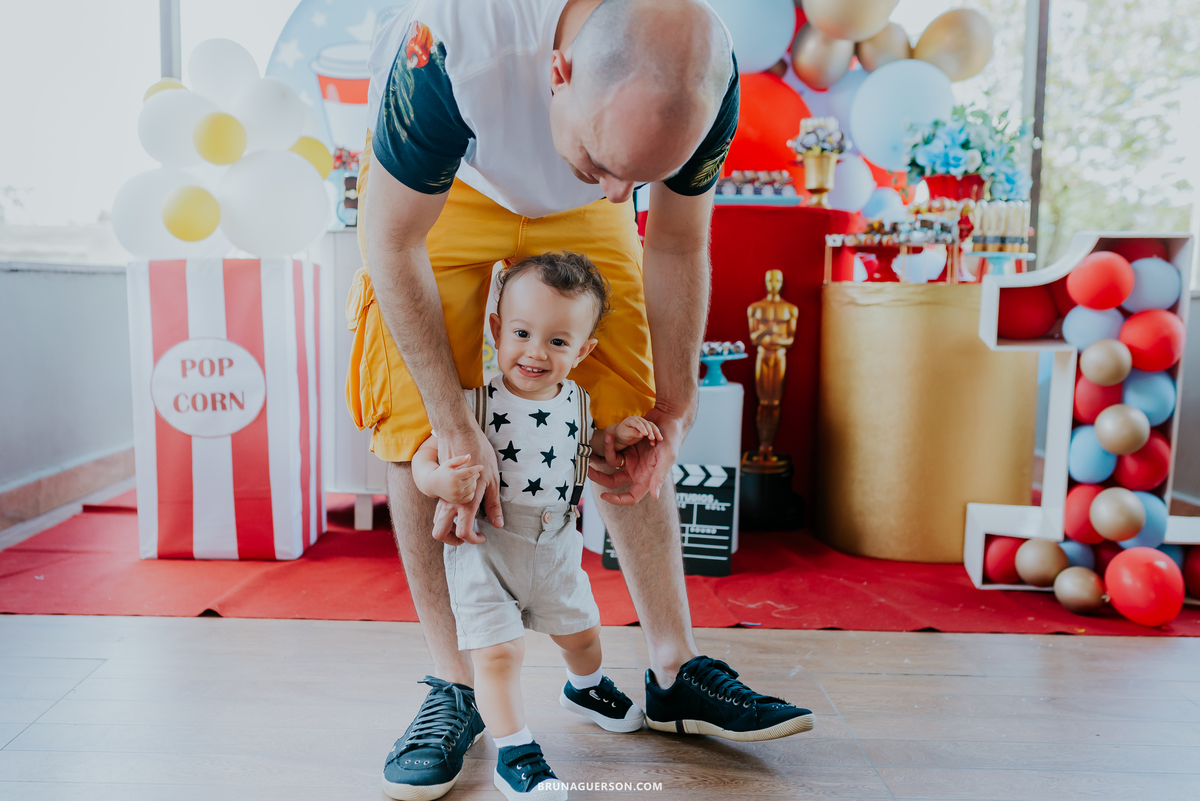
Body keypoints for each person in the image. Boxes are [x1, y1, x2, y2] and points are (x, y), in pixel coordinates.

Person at [347, 1, 815, 798]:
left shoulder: (708, 72)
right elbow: (390, 240)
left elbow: (674, 238)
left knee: (630, 409)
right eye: (605, 161)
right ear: (555, 75)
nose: (619, 189)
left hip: (574, 212)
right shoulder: (450, 45)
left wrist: (674, 408)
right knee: (419, 427)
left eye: (641, 176)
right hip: (450, 191)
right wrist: (458, 426)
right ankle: (454, 684)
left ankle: (673, 669)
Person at [412, 252, 658, 800]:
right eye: (522, 332)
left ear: (583, 349)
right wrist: (438, 484)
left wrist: (614, 437)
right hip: (486, 547)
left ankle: (586, 687)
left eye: (558, 341)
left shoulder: (577, 401)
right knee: (499, 653)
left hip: (555, 547)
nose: (535, 352)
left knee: (584, 635)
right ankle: (515, 751)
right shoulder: (473, 403)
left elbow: (583, 446)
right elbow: (428, 457)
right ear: (497, 328)